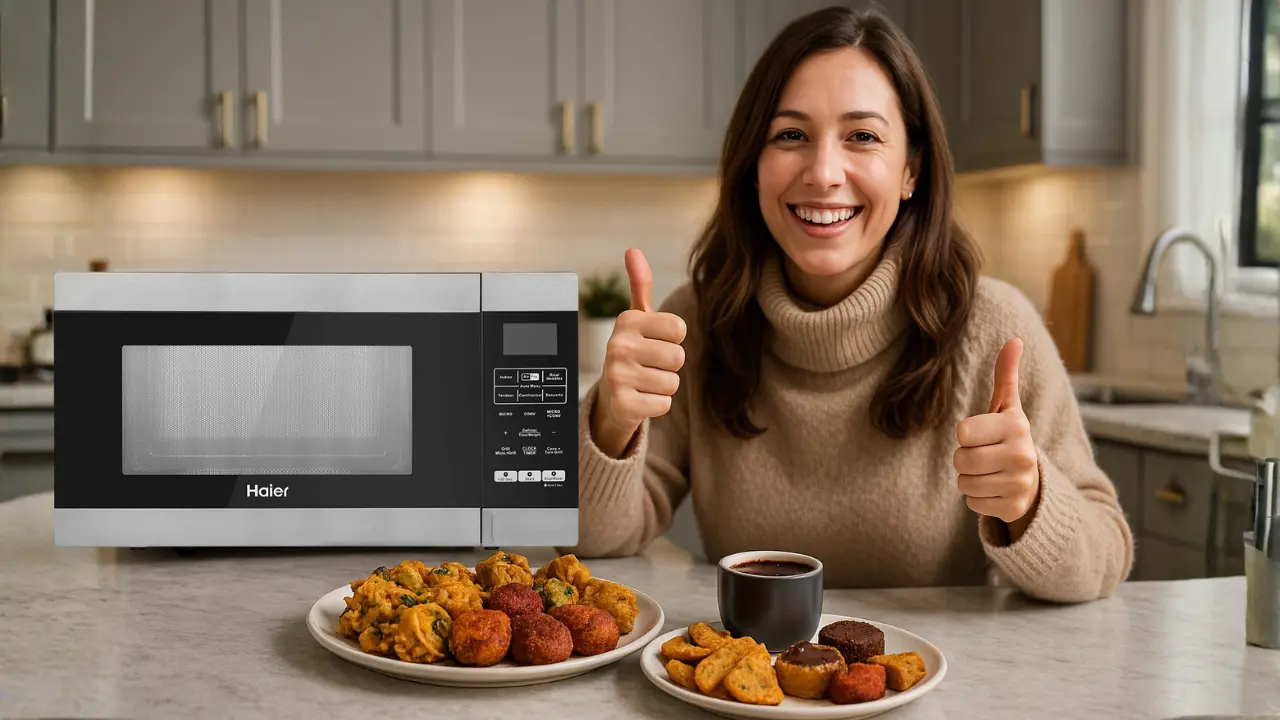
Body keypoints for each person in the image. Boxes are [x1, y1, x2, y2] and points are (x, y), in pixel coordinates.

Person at [565, 6, 1132, 603]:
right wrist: (610, 420)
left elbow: (1105, 553)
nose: (824, 172)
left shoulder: (991, 327)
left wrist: (1030, 499)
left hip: (943, 686)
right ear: (752, 168)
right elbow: (592, 541)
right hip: (747, 685)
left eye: (862, 136)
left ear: (911, 169)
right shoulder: (700, 324)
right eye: (791, 135)